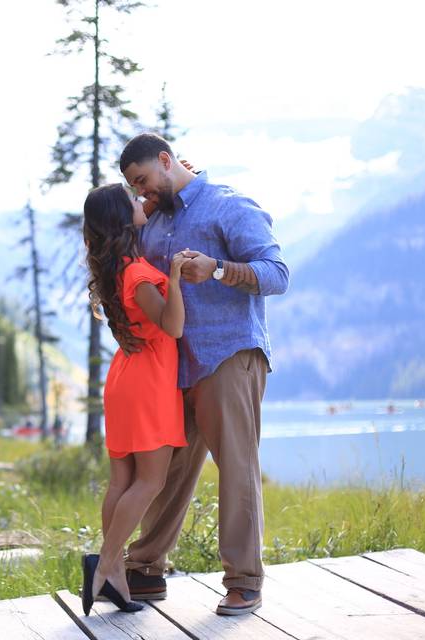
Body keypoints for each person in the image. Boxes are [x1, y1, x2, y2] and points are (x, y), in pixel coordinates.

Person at [116, 132, 289, 615]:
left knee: (235, 469)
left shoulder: (227, 206)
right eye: (134, 187)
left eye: (145, 181)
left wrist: (217, 270)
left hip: (228, 356)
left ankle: (244, 581)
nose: (142, 192)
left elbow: (277, 274)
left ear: (167, 162)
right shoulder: (152, 221)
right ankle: (146, 571)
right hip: (172, 367)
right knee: (166, 470)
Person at [79, 183, 190, 616]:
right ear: (122, 218)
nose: (140, 200)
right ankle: (106, 565)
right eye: (132, 199)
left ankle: (115, 578)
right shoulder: (139, 273)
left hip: (125, 375)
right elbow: (173, 326)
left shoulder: (115, 267)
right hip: (148, 383)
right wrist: (176, 279)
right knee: (150, 481)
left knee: (122, 482)